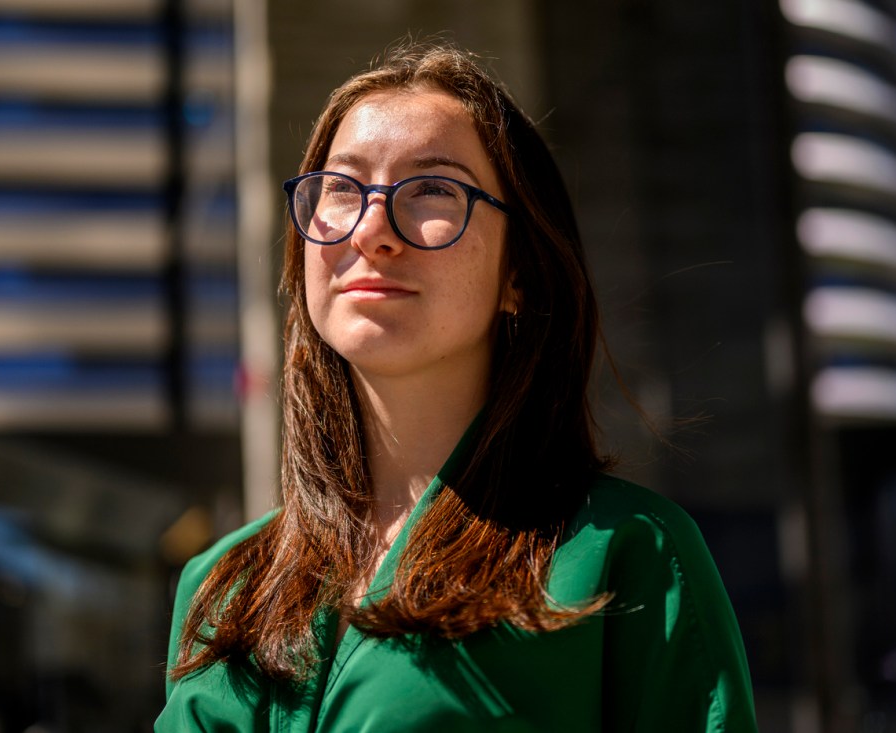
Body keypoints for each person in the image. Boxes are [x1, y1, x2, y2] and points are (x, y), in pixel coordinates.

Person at [157, 40, 757, 732]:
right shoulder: (222, 582)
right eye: (342, 188)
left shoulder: (628, 551)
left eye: (434, 189)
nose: (372, 230)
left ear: (519, 275)